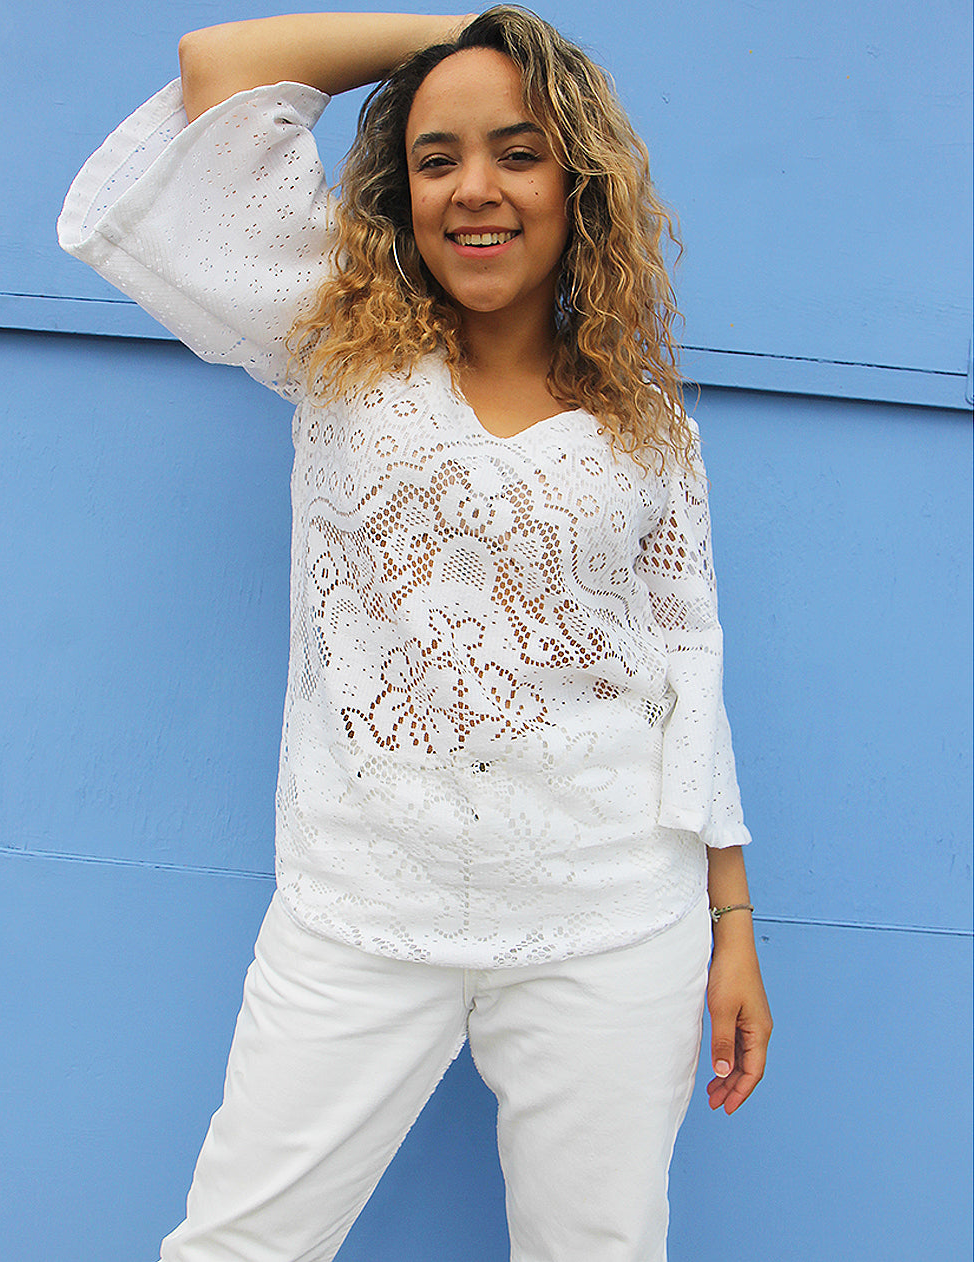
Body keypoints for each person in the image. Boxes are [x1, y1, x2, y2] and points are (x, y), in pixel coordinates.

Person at [58, 9, 772, 1260]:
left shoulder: (650, 428)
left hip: (610, 916)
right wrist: (471, 32)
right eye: (437, 159)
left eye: (519, 151)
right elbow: (218, 69)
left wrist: (731, 923)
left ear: (578, 183)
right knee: (236, 1243)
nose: (474, 188)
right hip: (358, 905)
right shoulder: (334, 341)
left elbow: (685, 662)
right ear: (401, 190)